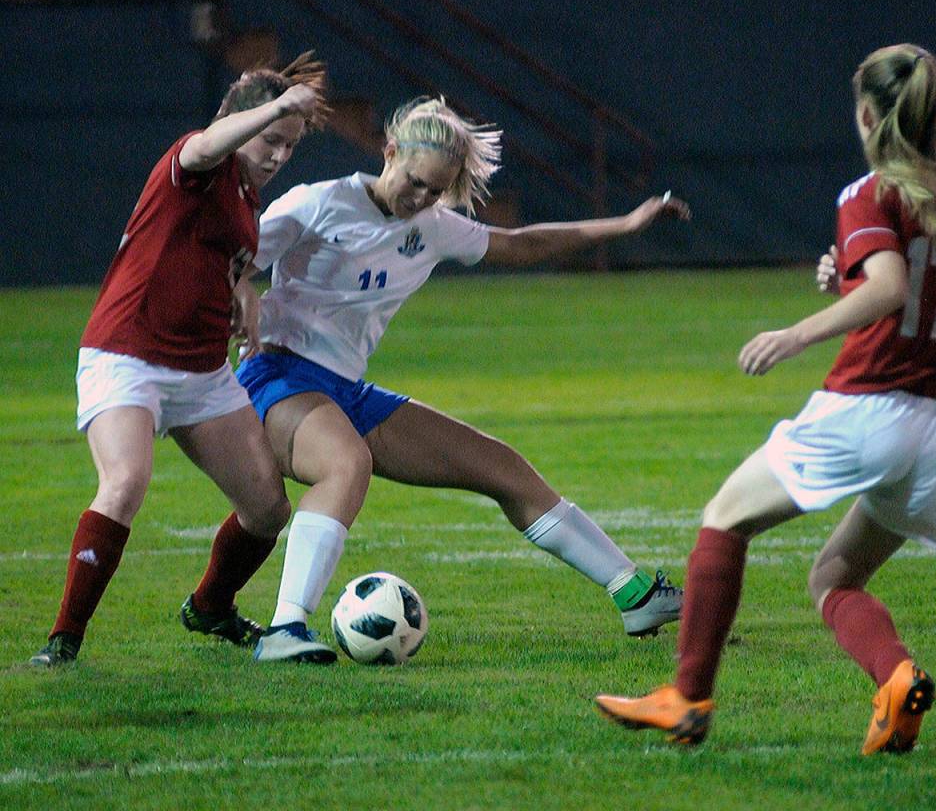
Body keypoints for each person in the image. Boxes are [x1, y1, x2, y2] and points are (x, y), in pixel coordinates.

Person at [595, 44, 936, 755]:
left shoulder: (866, 193)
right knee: (836, 576)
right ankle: (896, 680)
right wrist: (852, 280)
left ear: (867, 114)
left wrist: (796, 333)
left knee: (723, 519)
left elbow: (893, 288)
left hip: (871, 411)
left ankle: (685, 698)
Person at [233, 96, 692, 664]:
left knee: (502, 468)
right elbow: (230, 257)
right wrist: (240, 288)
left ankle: (633, 593)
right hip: (276, 376)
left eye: (436, 190)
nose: (422, 198)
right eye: (417, 182)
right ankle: (285, 627)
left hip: (344, 391)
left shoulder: (432, 227)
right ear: (390, 151)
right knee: (347, 465)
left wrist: (624, 223)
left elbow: (525, 244)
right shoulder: (319, 203)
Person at [30, 53, 330, 666]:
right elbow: (204, 146)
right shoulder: (195, 159)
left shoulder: (245, 196)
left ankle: (211, 607)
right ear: (241, 123)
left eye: (290, 147)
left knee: (268, 508)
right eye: (270, 138)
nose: (277, 154)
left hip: (201, 371)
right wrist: (276, 105)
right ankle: (64, 641)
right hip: (127, 354)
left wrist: (242, 290)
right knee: (125, 482)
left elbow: (218, 255)